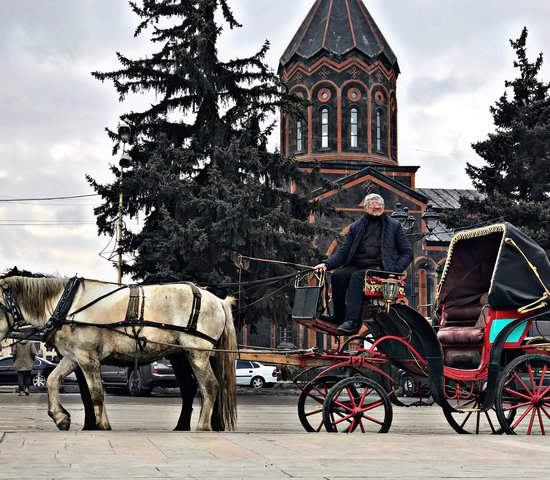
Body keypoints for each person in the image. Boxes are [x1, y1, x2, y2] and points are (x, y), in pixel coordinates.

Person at [313, 193, 413, 335]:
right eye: (373, 204)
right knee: (337, 276)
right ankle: (339, 317)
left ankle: (352, 322)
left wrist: (394, 270)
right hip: (358, 264)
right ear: (365, 208)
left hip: (380, 267)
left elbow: (407, 252)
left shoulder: (394, 226)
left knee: (357, 277)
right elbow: (343, 252)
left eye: (380, 204)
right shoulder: (356, 227)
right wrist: (326, 265)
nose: (377, 207)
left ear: (384, 207)